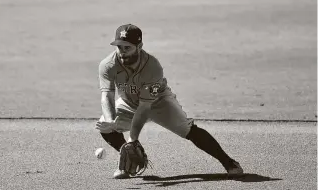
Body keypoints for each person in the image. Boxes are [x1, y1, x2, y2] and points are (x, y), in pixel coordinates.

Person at [96, 24, 243, 179]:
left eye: (127, 48)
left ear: (139, 46)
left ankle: (229, 163)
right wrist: (111, 121)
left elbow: (145, 107)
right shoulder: (108, 64)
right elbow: (107, 95)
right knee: (105, 126)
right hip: (129, 104)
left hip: (159, 102)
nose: (122, 52)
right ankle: (129, 157)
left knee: (187, 130)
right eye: (119, 47)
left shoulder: (152, 66)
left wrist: (133, 139)